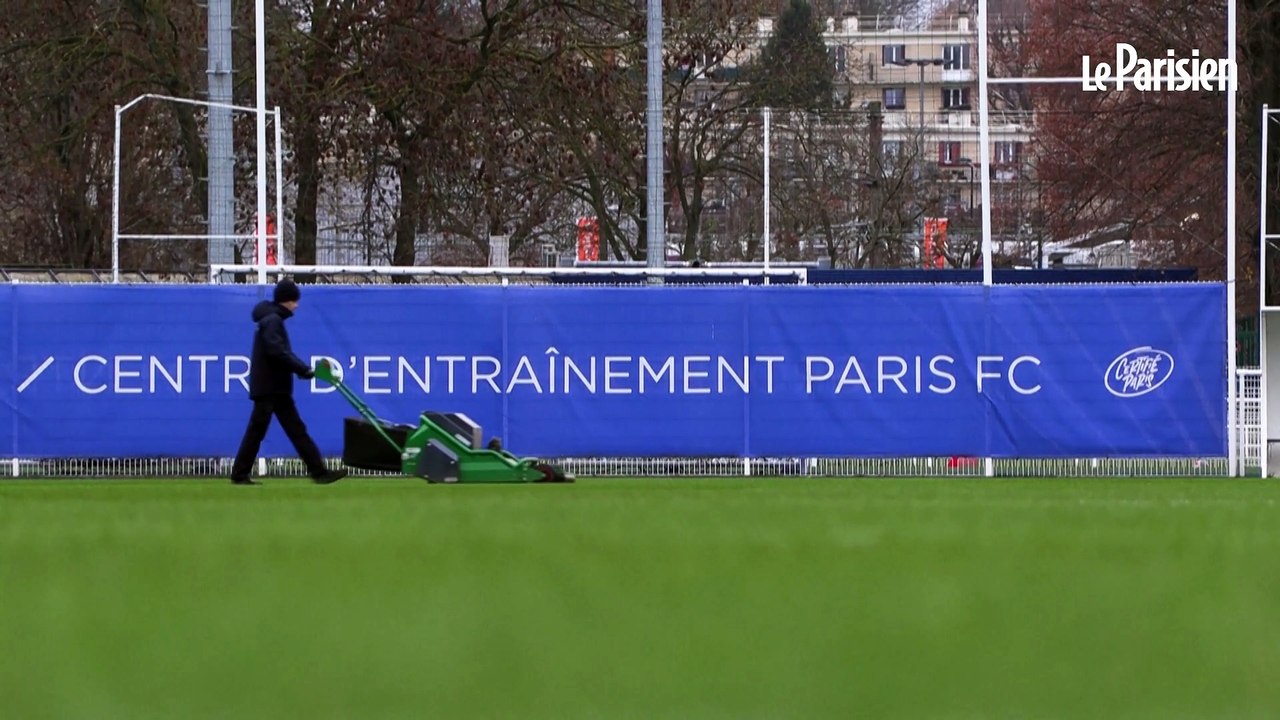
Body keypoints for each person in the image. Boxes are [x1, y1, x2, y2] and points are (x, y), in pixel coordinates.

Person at [230, 279, 347, 485]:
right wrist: (303, 369)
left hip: (273, 387)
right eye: (295, 301)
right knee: (277, 431)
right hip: (271, 388)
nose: (297, 305)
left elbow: (278, 352)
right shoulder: (273, 321)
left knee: (288, 430)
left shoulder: (269, 319)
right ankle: (317, 471)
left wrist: (300, 369)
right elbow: (278, 352)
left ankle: (318, 471)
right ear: (288, 301)